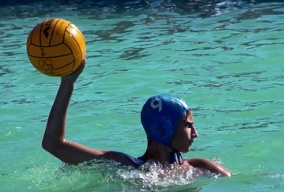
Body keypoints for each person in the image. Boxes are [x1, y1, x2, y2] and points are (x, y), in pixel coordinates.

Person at [42, 59, 231, 177]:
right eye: (189, 125)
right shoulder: (123, 166)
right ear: (163, 128)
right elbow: (53, 144)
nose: (196, 133)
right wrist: (68, 82)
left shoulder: (202, 167)